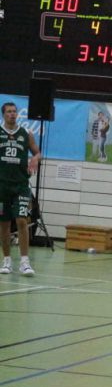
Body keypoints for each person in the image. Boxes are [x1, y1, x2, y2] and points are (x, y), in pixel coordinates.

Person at [0, 102, 41, 277]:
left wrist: (35, 159)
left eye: (14, 111)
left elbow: (37, 152)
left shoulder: (26, 134)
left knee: (22, 220)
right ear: (3, 115)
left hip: (20, 185)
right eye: (9, 112)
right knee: (4, 224)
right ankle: (7, 260)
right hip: (2, 186)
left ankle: (25, 262)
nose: (12, 114)